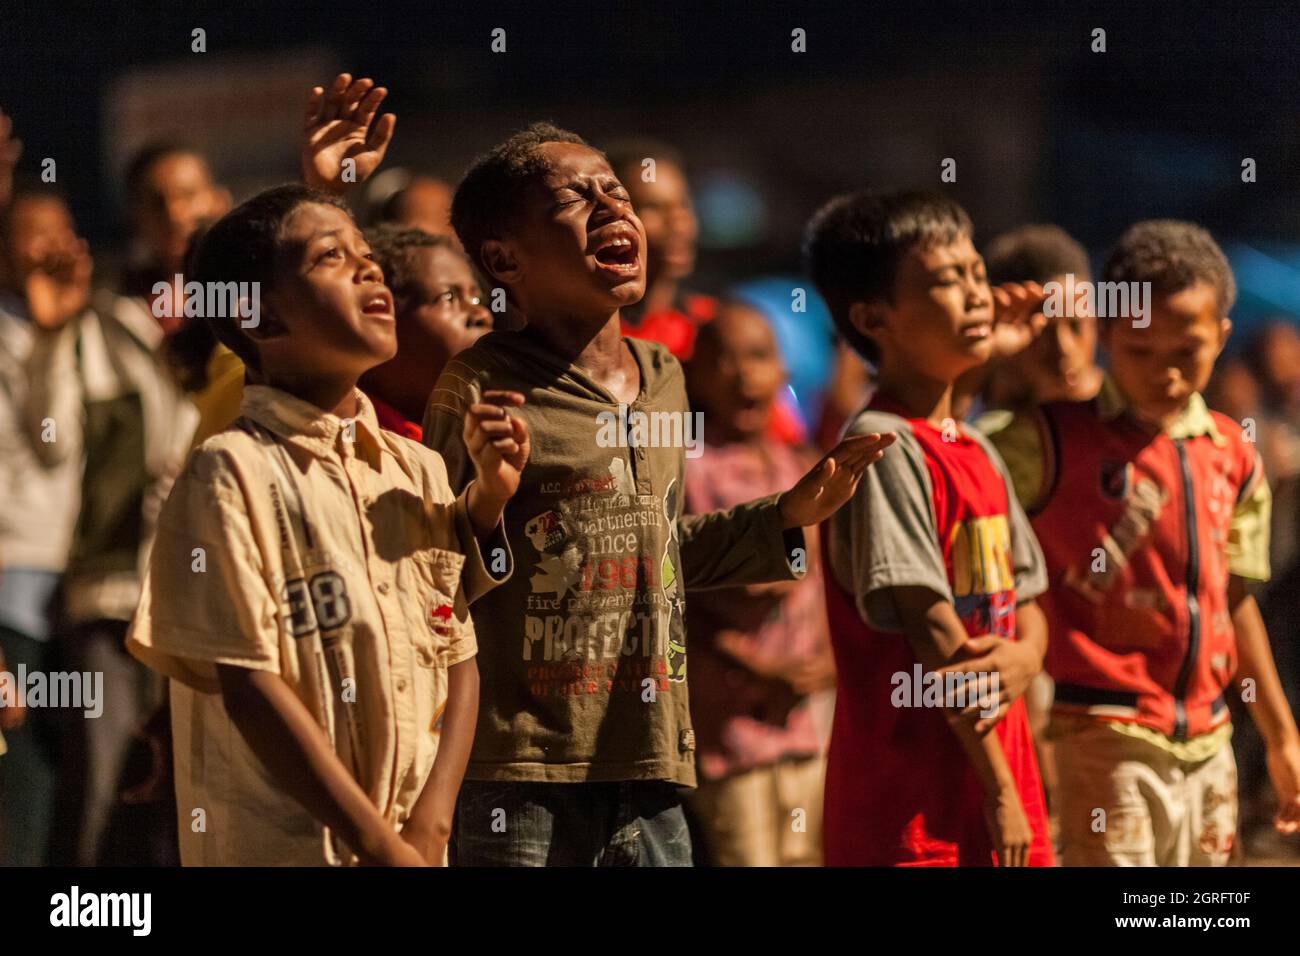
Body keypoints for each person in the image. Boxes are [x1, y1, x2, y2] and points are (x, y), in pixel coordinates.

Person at [422, 122, 892, 866]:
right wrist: (488, 500)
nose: (611, 207)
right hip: (525, 769)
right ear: (502, 258)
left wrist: (788, 513)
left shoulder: (664, 374)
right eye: (575, 199)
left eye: (614, 189)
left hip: (649, 752)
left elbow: (660, 552)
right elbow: (434, 580)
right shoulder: (478, 385)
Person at [126, 182, 523, 866]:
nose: (368, 269)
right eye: (329, 258)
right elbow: (251, 687)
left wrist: (428, 828)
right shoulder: (229, 471)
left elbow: (459, 658)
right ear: (257, 317)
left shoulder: (420, 469)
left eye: (367, 255)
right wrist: (374, 843)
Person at [987, 219, 1300, 865]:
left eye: (1186, 349)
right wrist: (983, 358)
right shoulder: (1045, 442)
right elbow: (947, 462)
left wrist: (1280, 733)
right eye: (1139, 351)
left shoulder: (1232, 453)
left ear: (1221, 336)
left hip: (1211, 738)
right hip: (1101, 735)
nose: (1164, 371)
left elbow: (1233, 600)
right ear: (1106, 338)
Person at [803, 189, 1054, 867]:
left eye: (978, 273)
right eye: (946, 281)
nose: (977, 295)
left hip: (998, 777)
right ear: (872, 317)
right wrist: (1001, 789)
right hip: (915, 809)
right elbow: (935, 633)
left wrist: (1026, 658)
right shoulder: (882, 447)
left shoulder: (972, 445)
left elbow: (1028, 605)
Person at [681, 300, 835, 866]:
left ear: (783, 374)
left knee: (807, 856)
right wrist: (755, 667)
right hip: (727, 727)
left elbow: (824, 586)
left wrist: (827, 664)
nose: (744, 374)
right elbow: (671, 600)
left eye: (759, 356)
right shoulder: (687, 468)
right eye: (723, 359)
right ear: (694, 373)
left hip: (803, 720)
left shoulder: (800, 466)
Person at [0, 186, 84, 865]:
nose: (48, 245)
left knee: (62, 759)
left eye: (60, 230)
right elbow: (49, 444)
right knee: (19, 756)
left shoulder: (82, 324)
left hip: (68, 576)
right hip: (12, 575)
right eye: (31, 232)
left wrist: (54, 333)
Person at [360, 226, 492, 439]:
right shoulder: (353, 439)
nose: (482, 315)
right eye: (449, 297)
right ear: (383, 318)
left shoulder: (492, 440)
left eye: (477, 298)